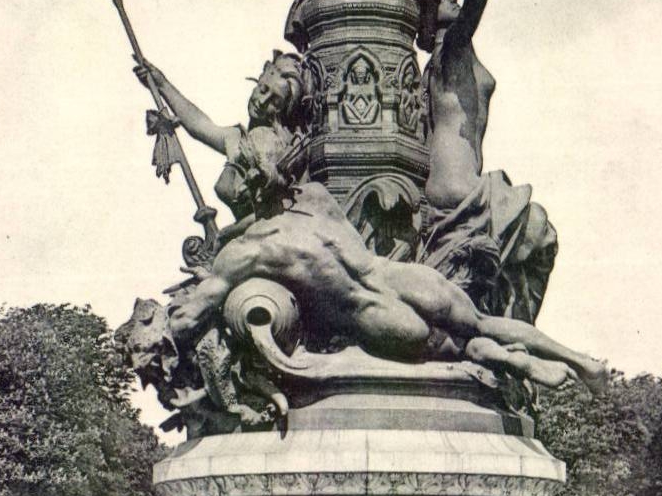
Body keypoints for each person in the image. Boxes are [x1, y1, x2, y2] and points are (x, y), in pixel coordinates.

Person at [162, 169, 608, 397]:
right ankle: (581, 361)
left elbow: (186, 318)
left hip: (373, 315)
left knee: (458, 349)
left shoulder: (244, 255)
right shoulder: (315, 197)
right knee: (481, 322)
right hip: (405, 277)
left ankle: (518, 363)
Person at [415, 0, 558, 321]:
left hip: (459, 182)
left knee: (526, 248)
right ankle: (517, 334)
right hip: (461, 187)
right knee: (541, 233)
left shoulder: (443, 62)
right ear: (431, 19)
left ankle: (509, 330)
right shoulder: (451, 49)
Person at [132, 50, 307, 222]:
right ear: (259, 80)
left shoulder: (278, 144)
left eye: (274, 101)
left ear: (283, 110)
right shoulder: (236, 137)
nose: (262, 102)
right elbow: (198, 124)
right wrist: (161, 84)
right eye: (263, 89)